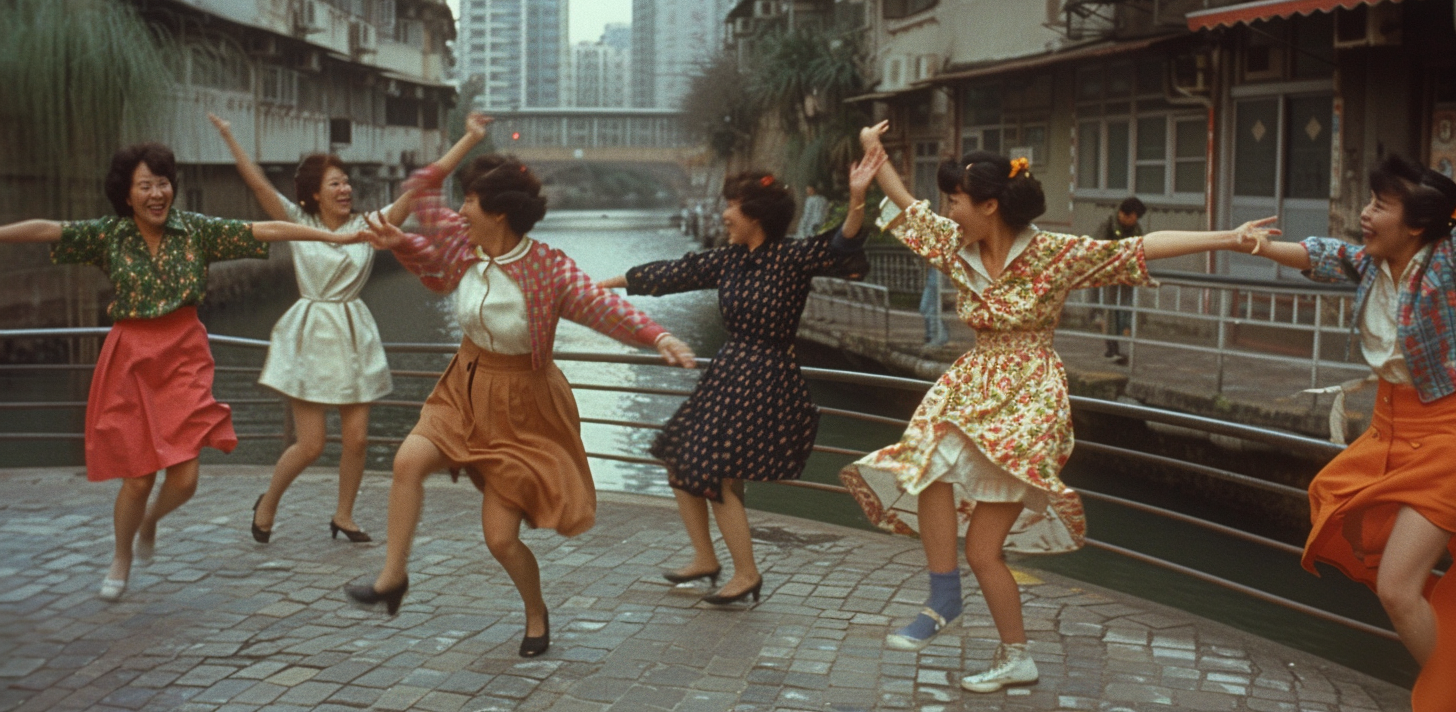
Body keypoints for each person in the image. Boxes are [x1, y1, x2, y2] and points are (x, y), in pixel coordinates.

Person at [840, 120, 1277, 693]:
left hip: (1028, 394)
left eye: (957, 201)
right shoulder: (955, 245)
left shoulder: (1053, 255)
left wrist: (1226, 238)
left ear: (990, 205)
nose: (947, 211)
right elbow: (905, 201)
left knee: (984, 550)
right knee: (924, 466)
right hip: (972, 382)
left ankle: (1007, 647)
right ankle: (949, 601)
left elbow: (1138, 248)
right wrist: (876, 153)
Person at [344, 152, 695, 659]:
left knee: (500, 540)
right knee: (407, 461)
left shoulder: (548, 269)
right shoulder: (465, 247)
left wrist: (656, 334)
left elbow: (603, 307)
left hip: (521, 408)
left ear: (499, 212)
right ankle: (391, 578)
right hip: (463, 387)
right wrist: (402, 235)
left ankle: (536, 611)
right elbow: (432, 243)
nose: (459, 210)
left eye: (468, 200)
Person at [0, 142, 381, 601]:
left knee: (184, 479)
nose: (157, 193)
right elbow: (50, 229)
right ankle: (122, 554)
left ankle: (150, 522)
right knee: (138, 477)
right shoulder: (110, 235)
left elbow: (266, 229)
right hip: (131, 357)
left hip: (182, 355)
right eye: (146, 185)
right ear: (127, 194)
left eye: (163, 183)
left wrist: (332, 238)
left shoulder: (196, 231)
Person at [597, 160, 875, 605]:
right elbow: (674, 272)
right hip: (729, 373)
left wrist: (858, 197)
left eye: (731, 206)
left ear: (755, 216)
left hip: (767, 376)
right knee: (678, 458)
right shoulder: (729, 260)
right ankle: (706, 559)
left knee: (716, 475)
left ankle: (746, 573)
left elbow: (841, 245)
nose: (723, 214)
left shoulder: (791, 258)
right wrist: (602, 287)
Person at [1236, 154, 1456, 710]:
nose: (1364, 213)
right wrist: (1251, 244)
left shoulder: (1447, 265)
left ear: (1418, 225)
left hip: (1446, 435)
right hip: (1388, 428)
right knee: (1342, 517)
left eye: (1380, 205)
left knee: (1398, 588)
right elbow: (1320, 254)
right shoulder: (1374, 264)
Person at [207, 112, 487, 544]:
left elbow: (420, 187)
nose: (345, 189)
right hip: (311, 331)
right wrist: (229, 136)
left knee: (357, 440)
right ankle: (267, 504)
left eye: (347, 182)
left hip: (353, 330)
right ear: (314, 193)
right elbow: (259, 184)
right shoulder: (299, 225)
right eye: (335, 183)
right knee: (311, 444)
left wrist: (468, 139)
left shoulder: (369, 224)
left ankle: (344, 515)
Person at [1093, 197, 1146, 363]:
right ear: (1124, 214)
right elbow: (1099, 249)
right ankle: (1111, 349)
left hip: (1126, 278)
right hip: (1109, 277)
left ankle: (1121, 346)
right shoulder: (1107, 225)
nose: (1134, 221)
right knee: (1110, 311)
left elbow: (1140, 250)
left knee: (1125, 311)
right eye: (1133, 217)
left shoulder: (1136, 229)